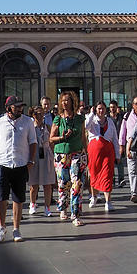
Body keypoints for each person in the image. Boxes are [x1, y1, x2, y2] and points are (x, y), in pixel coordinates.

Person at [0, 95, 36, 243]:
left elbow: (33, 142)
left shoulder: (28, 122)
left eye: (21, 106)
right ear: (9, 108)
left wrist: (31, 161)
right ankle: (1, 227)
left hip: (20, 164)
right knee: (1, 197)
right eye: (17, 106)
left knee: (18, 199)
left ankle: (16, 228)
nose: (20, 108)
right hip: (2, 164)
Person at [50, 91, 87, 226]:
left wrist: (86, 152)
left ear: (73, 102)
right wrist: (63, 137)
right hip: (61, 155)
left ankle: (75, 213)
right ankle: (63, 208)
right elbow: (51, 138)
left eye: (67, 100)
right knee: (63, 183)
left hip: (77, 153)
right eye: (62, 100)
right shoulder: (58, 119)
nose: (64, 102)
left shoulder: (79, 118)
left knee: (77, 183)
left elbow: (83, 136)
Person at [85, 101, 120, 211]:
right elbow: (85, 126)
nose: (101, 110)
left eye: (103, 108)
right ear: (95, 109)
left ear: (106, 110)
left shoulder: (110, 121)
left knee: (107, 175)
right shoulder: (91, 120)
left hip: (107, 153)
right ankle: (94, 197)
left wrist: (117, 154)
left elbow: (114, 138)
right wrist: (91, 114)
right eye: (99, 108)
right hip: (94, 153)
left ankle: (108, 201)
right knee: (94, 174)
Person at [28, 105, 56, 216]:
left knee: (47, 184)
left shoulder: (48, 127)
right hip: (34, 155)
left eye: (41, 114)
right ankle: (32, 204)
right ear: (33, 115)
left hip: (46, 154)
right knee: (34, 184)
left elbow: (52, 142)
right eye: (37, 114)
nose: (39, 116)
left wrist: (53, 156)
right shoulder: (30, 127)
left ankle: (47, 207)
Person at [118, 96, 137, 202]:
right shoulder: (127, 116)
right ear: (133, 105)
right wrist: (122, 145)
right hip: (131, 147)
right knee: (132, 170)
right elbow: (122, 131)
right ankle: (134, 192)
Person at [107, 100, 126, 187]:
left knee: (120, 161)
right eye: (111, 107)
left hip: (120, 141)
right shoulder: (107, 118)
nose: (112, 109)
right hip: (110, 141)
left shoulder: (121, 117)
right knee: (111, 161)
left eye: (114, 107)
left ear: (117, 107)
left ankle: (121, 179)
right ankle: (113, 179)